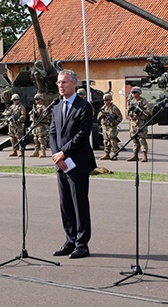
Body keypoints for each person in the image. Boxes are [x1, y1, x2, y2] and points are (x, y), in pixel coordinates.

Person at [49, 69, 95, 260]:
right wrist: (56, 155)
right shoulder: (57, 106)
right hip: (61, 163)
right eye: (59, 82)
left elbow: (82, 135)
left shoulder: (84, 106)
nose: (61, 86)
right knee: (65, 203)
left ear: (75, 84)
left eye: (65, 82)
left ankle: (82, 244)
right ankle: (70, 240)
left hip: (77, 162)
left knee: (79, 203)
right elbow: (52, 132)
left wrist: (64, 152)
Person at [126, 86, 151, 162]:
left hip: (141, 123)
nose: (133, 94)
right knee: (134, 140)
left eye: (135, 92)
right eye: (132, 93)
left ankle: (144, 156)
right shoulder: (131, 102)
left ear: (139, 93)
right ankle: (135, 155)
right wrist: (130, 109)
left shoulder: (143, 101)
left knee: (142, 139)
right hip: (133, 123)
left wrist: (140, 111)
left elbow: (149, 111)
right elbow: (127, 112)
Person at [96, 93, 121, 161]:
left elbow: (120, 117)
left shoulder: (114, 108)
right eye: (104, 100)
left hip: (112, 126)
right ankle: (107, 154)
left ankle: (115, 153)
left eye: (107, 100)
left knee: (112, 140)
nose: (105, 102)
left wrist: (115, 122)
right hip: (105, 126)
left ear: (110, 100)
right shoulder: (103, 108)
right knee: (105, 140)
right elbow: (98, 117)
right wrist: (101, 115)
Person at [29, 93, 51, 158]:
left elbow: (45, 116)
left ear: (41, 99)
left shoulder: (44, 107)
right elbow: (31, 115)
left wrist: (38, 115)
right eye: (35, 99)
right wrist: (33, 116)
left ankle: (43, 151)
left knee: (41, 139)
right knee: (35, 138)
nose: (36, 101)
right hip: (35, 125)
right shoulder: (35, 107)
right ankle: (36, 151)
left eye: (38, 99)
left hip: (41, 125)